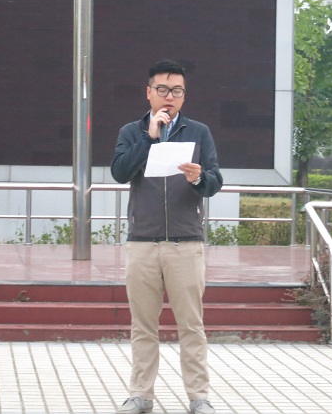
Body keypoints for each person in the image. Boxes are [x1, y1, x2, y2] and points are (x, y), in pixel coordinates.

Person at [111, 60, 223, 414]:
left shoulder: (199, 132)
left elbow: (215, 182)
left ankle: (198, 397)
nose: (169, 97)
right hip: (142, 242)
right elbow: (119, 172)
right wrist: (149, 138)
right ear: (149, 93)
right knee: (143, 325)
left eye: (177, 91)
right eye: (162, 90)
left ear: (184, 96)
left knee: (191, 325)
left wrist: (197, 178)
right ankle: (140, 395)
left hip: (185, 243)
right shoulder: (132, 131)